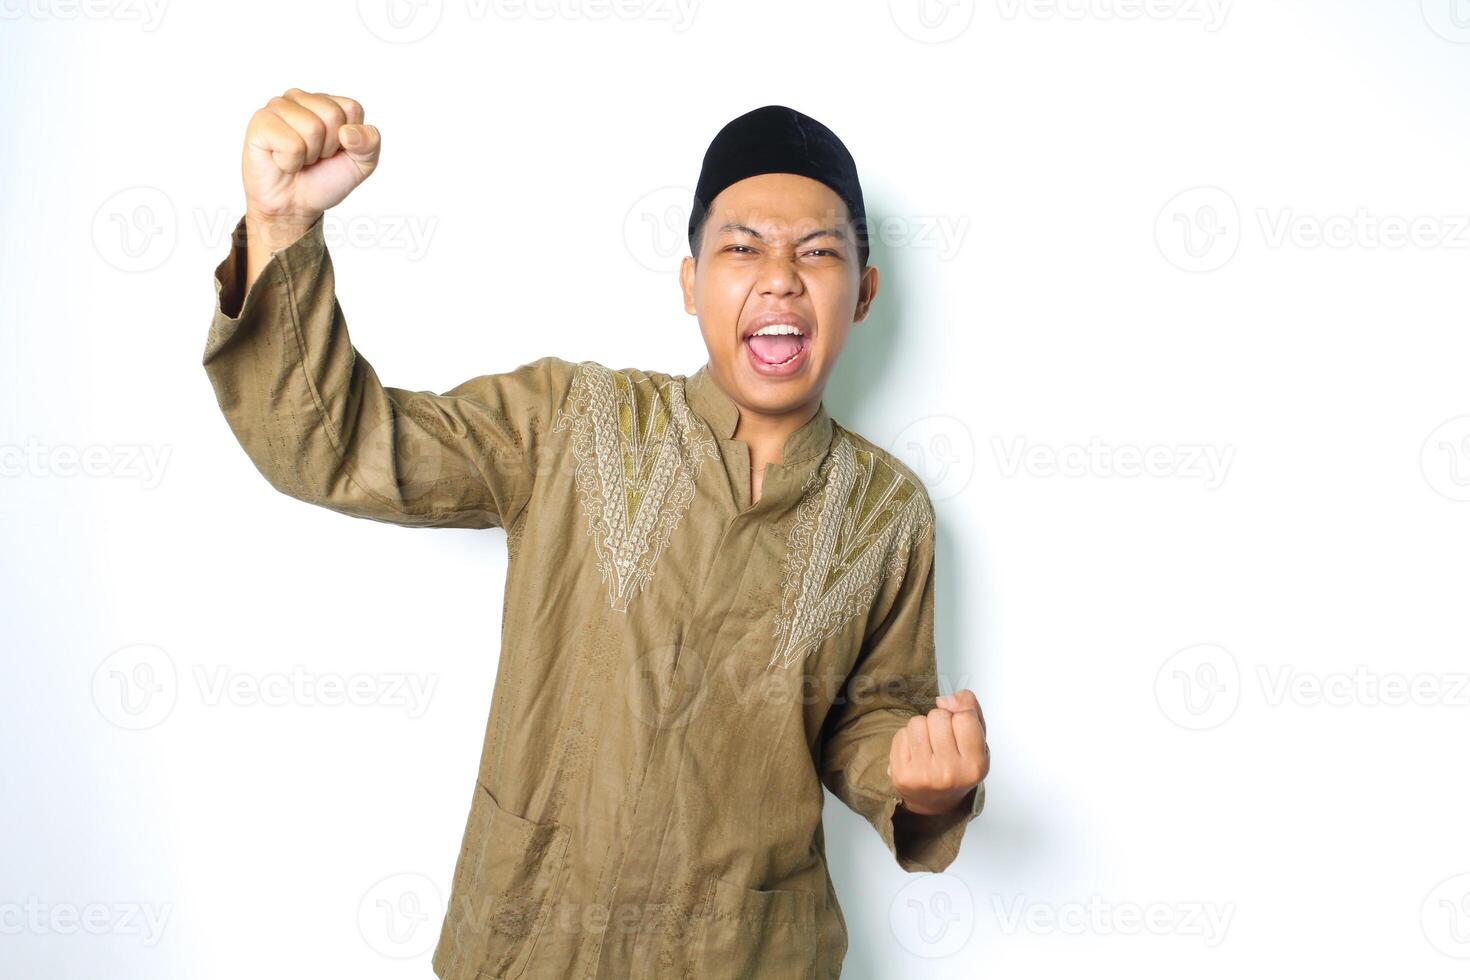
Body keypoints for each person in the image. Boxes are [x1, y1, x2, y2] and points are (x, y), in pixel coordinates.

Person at [203, 89, 989, 979]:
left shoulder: (888, 511)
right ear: (691, 284)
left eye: (818, 253)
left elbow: (868, 720)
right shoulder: (571, 422)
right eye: (741, 247)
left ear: (864, 294)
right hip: (536, 938)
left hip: (749, 954)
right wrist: (279, 228)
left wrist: (922, 782)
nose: (780, 276)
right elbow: (337, 448)